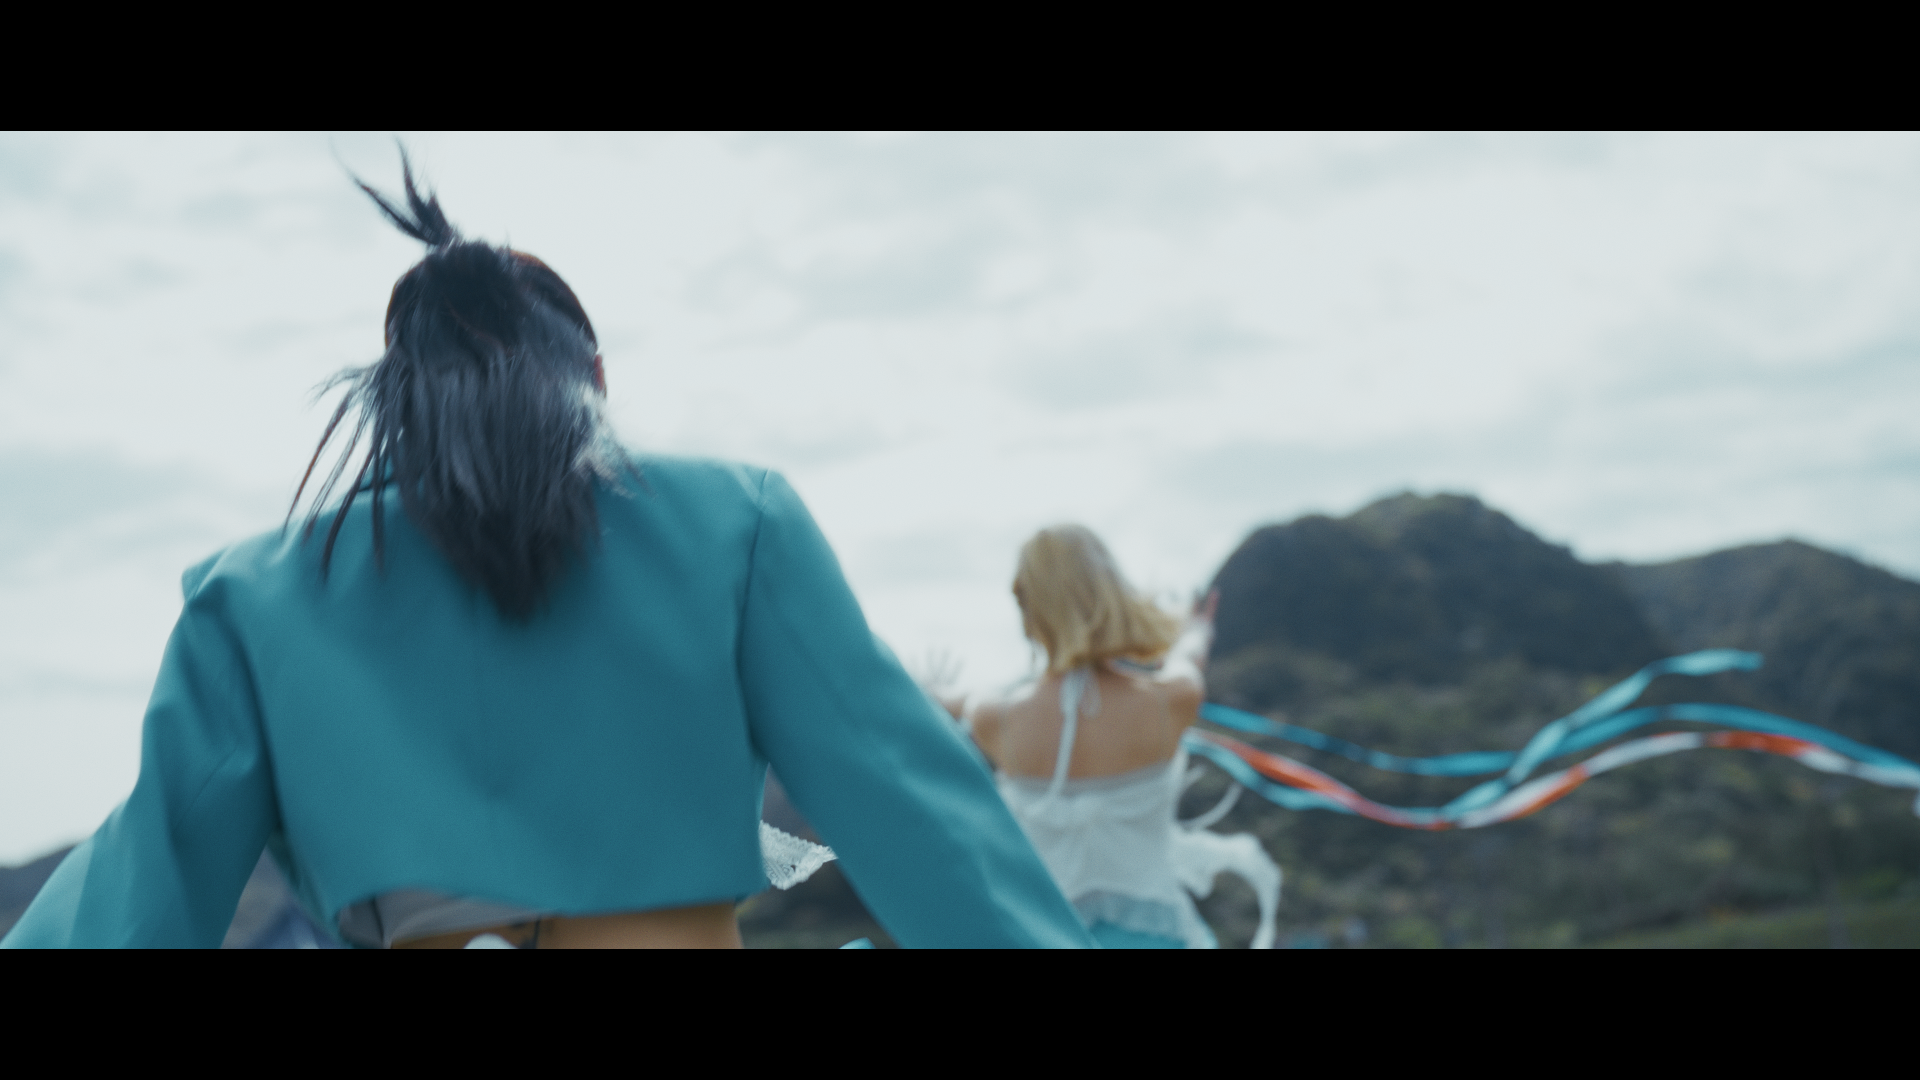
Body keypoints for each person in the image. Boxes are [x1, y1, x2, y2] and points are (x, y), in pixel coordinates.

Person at [2, 159, 1090, 949]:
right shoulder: (735, 524)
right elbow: (916, 817)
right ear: (595, 383)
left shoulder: (253, 598)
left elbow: (138, 890)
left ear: (397, 404)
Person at [964, 525, 1279, 948]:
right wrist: (1195, 632)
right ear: (1111, 591)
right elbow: (1187, 658)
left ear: (1027, 607)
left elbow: (961, 699)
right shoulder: (1172, 699)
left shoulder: (994, 719)